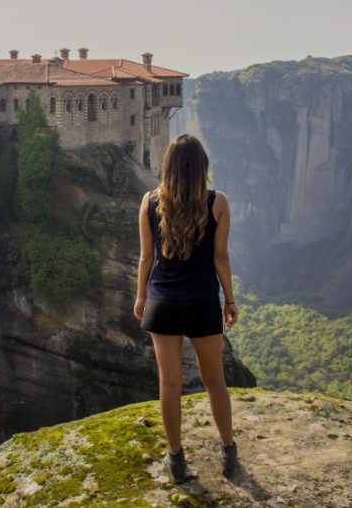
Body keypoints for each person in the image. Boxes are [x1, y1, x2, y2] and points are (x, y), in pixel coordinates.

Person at [133, 134, 239, 482]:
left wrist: (140, 297)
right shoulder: (217, 202)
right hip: (202, 302)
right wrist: (230, 299)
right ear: (202, 168)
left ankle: (176, 459)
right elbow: (220, 258)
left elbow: (146, 257)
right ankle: (227, 453)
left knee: (170, 383)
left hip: (162, 303)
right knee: (214, 380)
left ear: (168, 167)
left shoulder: (148, 203)